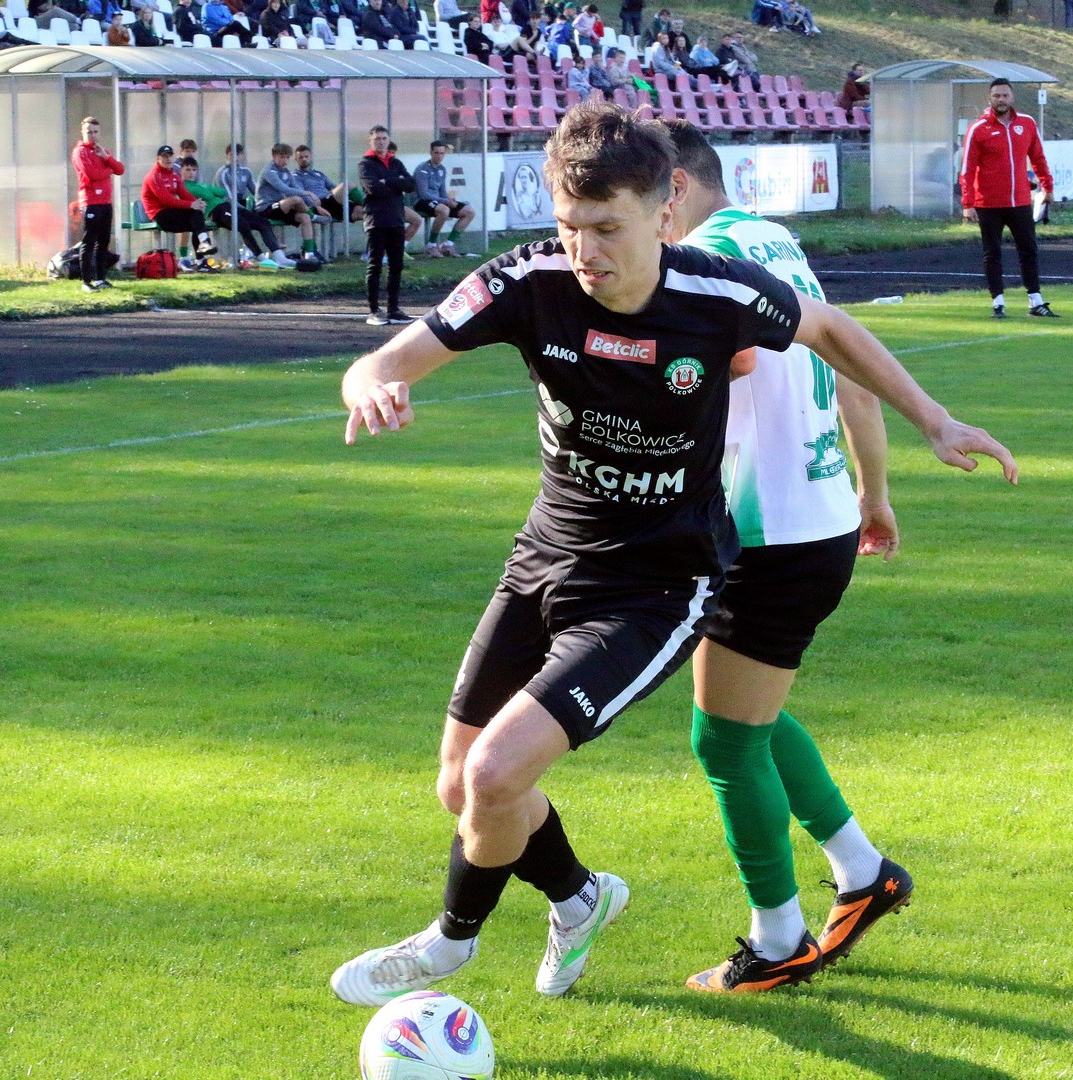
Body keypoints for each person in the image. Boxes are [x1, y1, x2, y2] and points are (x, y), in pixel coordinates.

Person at [328, 103, 1017, 1010]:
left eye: (607, 228)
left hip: (656, 585)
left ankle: (448, 946)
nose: (585, 251)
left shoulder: (717, 293)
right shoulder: (526, 280)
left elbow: (831, 331)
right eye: (570, 226)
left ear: (664, 213)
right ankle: (579, 898)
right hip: (545, 556)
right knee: (462, 788)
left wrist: (934, 420)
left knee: (501, 773)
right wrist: (371, 387)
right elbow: (380, 362)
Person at [660, 117, 1016, 990]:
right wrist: (871, 491)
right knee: (748, 716)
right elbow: (847, 370)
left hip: (767, 531)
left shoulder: (698, 263)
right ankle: (863, 872)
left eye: (628, 196)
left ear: (670, 186)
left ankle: (777, 944)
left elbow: (711, 383)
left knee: (724, 743)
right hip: (811, 518)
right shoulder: (773, 241)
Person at [961, 78, 1057, 319]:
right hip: (988, 203)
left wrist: (1047, 187)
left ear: (1012, 97)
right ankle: (998, 302)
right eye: (996, 96)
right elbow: (967, 169)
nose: (1001, 100)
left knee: (1028, 250)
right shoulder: (978, 129)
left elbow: (1038, 158)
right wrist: (968, 204)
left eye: (1005, 95)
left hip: (1020, 201)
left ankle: (1035, 301)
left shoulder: (1026, 123)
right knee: (992, 253)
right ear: (990, 98)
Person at [182, 157, 289, 270]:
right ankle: (262, 258)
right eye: (188, 170)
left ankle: (279, 257)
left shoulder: (201, 185)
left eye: (194, 170)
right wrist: (210, 191)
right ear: (181, 171)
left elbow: (222, 192)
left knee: (262, 222)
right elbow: (209, 194)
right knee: (242, 225)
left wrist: (209, 191)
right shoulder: (186, 186)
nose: (191, 173)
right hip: (216, 211)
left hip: (228, 206)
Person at [357, 125, 414, 325]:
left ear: (388, 140)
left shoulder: (395, 162)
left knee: (396, 265)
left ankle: (393, 309)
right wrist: (396, 183)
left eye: (384, 138)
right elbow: (373, 189)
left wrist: (387, 181)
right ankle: (374, 310)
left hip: (396, 219)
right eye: (377, 139)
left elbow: (410, 184)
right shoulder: (365, 164)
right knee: (375, 265)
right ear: (370, 141)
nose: (381, 142)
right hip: (377, 220)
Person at [71, 116, 125, 292]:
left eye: (95, 132)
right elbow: (92, 174)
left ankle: (101, 278)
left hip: (105, 202)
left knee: (104, 241)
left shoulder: (102, 151)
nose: (92, 135)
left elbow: (120, 169)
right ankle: (86, 282)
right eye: (89, 132)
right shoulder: (80, 152)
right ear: (82, 132)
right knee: (89, 242)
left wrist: (106, 158)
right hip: (90, 202)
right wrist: (108, 169)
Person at [141, 144, 219, 260]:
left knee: (197, 217)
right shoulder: (154, 176)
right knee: (196, 220)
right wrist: (191, 205)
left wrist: (197, 203)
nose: (168, 159)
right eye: (164, 156)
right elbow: (166, 200)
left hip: (171, 211)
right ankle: (197, 255)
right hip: (159, 215)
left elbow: (184, 194)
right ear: (158, 159)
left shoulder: (174, 175)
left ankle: (203, 250)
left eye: (170, 156)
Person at [257, 143, 321, 261]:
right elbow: (284, 189)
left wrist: (315, 205)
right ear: (274, 156)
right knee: (296, 199)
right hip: (265, 209)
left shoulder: (286, 172)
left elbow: (296, 188)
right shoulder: (269, 171)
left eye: (287, 157)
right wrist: (307, 193)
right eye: (282, 157)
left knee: (305, 217)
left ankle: (309, 254)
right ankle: (315, 217)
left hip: (281, 208)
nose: (285, 160)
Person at [412, 142, 475, 257]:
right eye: (436, 153)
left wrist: (450, 200)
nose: (439, 156)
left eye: (442, 153)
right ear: (431, 153)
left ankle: (448, 245)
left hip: (438, 202)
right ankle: (431, 246)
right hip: (421, 202)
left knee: (469, 211)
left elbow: (442, 191)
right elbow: (423, 194)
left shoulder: (442, 169)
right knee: (444, 210)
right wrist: (445, 201)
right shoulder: (423, 169)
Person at [295, 144, 347, 224]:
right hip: (319, 203)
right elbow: (302, 194)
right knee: (346, 186)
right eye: (300, 157)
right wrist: (316, 206)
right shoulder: (296, 176)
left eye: (306, 156)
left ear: (310, 157)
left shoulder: (319, 173)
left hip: (330, 201)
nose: (304, 159)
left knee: (359, 210)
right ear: (296, 159)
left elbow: (332, 187)